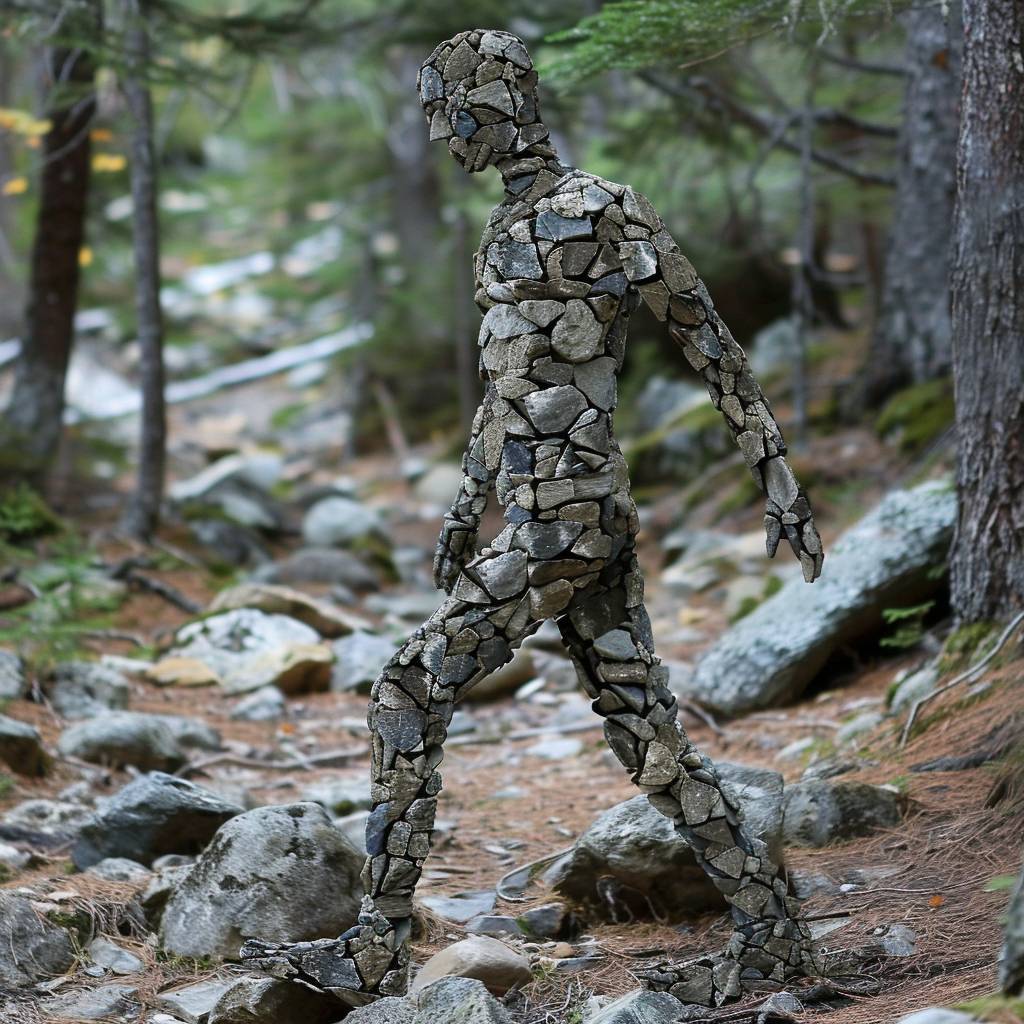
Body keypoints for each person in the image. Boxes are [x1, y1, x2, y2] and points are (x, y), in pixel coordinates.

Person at [242, 28, 824, 1009]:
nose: (440, 135)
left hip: (568, 525)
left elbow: (708, 341)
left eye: (450, 112)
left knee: (405, 686)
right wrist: (471, 499)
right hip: (564, 520)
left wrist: (778, 480)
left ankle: (377, 949)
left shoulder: (597, 209)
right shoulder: (506, 228)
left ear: (499, 104)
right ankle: (777, 937)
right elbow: (508, 384)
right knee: (647, 739)